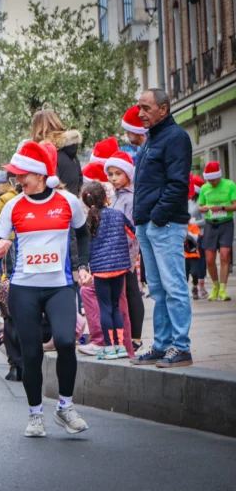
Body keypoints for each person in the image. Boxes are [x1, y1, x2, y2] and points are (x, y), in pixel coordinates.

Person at [0, 141, 92, 437]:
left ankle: (65, 407)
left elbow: (83, 234)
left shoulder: (67, 201)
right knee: (31, 352)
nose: (17, 181)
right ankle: (35, 414)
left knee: (64, 341)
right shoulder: (13, 206)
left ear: (39, 175)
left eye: (22, 175)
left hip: (59, 286)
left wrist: (83, 265)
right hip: (24, 288)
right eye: (15, 176)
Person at [131, 89, 193, 368]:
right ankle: (161, 345)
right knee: (157, 289)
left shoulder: (176, 138)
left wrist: (157, 218)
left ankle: (181, 347)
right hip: (148, 225)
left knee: (174, 286)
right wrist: (143, 221)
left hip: (164, 224)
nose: (140, 113)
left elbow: (178, 184)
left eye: (146, 107)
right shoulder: (150, 141)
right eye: (139, 108)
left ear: (163, 109)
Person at [81, 182, 136, 360]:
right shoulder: (118, 215)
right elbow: (133, 233)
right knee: (115, 307)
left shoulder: (88, 221)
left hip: (100, 272)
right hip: (120, 269)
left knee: (105, 308)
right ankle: (120, 346)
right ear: (106, 198)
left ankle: (109, 347)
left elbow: (84, 246)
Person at [104, 149, 144, 352]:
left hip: (126, 252)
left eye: (118, 173)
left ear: (128, 173)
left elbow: (131, 229)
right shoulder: (117, 196)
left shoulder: (131, 198)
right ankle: (129, 336)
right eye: (110, 174)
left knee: (131, 291)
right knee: (126, 293)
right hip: (117, 252)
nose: (113, 178)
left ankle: (135, 337)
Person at [198, 161, 236, 301]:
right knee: (209, 259)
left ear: (219, 176)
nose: (211, 182)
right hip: (210, 224)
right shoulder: (204, 188)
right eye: (209, 179)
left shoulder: (230, 185)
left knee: (225, 255)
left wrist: (222, 208)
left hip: (226, 224)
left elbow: (235, 205)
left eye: (213, 179)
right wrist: (202, 209)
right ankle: (215, 285)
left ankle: (223, 289)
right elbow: (200, 206)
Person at [31, 109, 83, 195]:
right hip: (72, 202)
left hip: (55, 205)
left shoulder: (46, 154)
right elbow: (80, 180)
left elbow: (51, 186)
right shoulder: (71, 152)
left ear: (36, 129)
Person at [188, 175, 208, 299]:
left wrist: (192, 222)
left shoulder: (202, 201)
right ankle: (195, 285)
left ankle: (201, 285)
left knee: (201, 261)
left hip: (201, 235)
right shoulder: (189, 201)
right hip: (190, 237)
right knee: (192, 261)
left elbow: (205, 221)